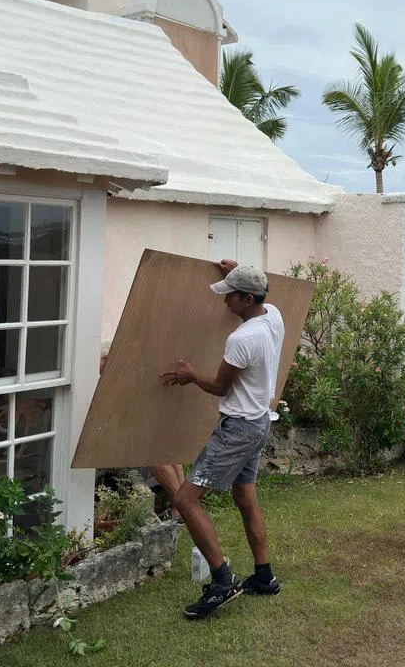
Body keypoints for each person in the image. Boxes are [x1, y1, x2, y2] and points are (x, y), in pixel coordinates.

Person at [160, 259, 283, 619]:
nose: (224, 302)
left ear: (246, 299)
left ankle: (221, 582)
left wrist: (190, 375)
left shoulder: (242, 339)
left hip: (238, 429)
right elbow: (262, 286)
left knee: (185, 499)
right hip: (259, 420)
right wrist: (238, 270)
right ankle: (263, 576)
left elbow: (218, 386)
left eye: (229, 296)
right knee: (245, 497)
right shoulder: (273, 316)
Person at [99, 353, 186, 518]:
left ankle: (182, 505)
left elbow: (107, 365)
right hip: (153, 394)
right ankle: (184, 504)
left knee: (154, 457)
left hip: (146, 398)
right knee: (167, 452)